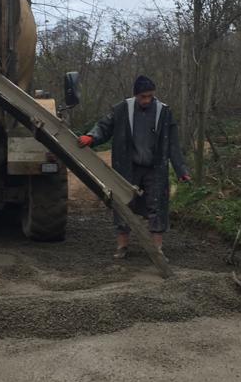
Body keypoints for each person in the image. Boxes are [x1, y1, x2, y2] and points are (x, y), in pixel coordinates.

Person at [78, 75, 190, 258]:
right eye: (143, 97)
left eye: (150, 96)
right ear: (136, 95)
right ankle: (122, 246)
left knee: (157, 205)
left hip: (155, 167)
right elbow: (104, 126)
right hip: (128, 167)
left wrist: (181, 170)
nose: (147, 100)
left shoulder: (163, 112)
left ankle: (157, 249)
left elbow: (173, 143)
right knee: (123, 203)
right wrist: (91, 137)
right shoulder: (122, 109)